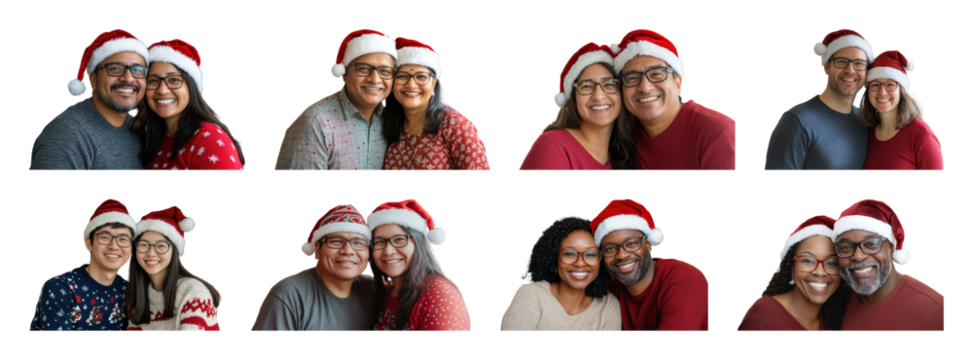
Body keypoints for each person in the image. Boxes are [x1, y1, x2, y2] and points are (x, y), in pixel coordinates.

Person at [611, 28, 736, 172]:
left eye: (656, 74)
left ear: (678, 84)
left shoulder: (719, 132)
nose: (645, 88)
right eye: (632, 78)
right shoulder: (621, 138)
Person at [274, 28, 397, 172]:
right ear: (344, 74)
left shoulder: (389, 119)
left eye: (385, 71)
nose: (375, 79)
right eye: (364, 69)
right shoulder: (315, 124)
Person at [31, 28, 147, 172]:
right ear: (93, 80)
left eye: (138, 70)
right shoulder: (67, 135)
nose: (129, 78)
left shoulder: (136, 127)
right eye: (115, 68)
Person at [250, 203, 378, 332]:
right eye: (336, 241)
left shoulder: (375, 289)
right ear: (317, 250)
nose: (348, 251)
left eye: (359, 243)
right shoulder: (288, 295)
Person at [765, 28, 875, 172]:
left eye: (859, 63)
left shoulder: (866, 121)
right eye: (841, 61)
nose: (850, 70)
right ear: (827, 67)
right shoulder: (797, 121)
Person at [591, 197, 708, 332]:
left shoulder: (684, 278)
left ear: (648, 245)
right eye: (610, 248)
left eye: (631, 243)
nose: (622, 255)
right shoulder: (610, 289)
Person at [129, 37, 246, 172]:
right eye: (153, 80)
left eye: (174, 80)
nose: (162, 90)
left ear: (191, 87)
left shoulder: (210, 141)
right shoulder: (150, 135)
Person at [519, 41, 636, 172]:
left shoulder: (626, 156)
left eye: (609, 84)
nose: (598, 96)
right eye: (586, 86)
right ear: (573, 100)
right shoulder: (553, 147)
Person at [832, 198, 944, 332]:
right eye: (845, 247)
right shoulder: (843, 303)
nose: (858, 256)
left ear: (891, 247)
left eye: (871, 244)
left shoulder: (934, 309)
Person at [381, 35, 491, 172]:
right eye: (402, 76)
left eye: (421, 76)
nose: (411, 84)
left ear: (433, 83)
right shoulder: (387, 125)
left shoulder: (454, 123)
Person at [29, 197, 137, 332]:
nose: (114, 246)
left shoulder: (130, 291)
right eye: (104, 237)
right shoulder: (59, 288)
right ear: (88, 244)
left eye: (123, 239)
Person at [366, 198, 472, 333]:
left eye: (399, 240)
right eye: (379, 242)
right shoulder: (386, 291)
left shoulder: (439, 294)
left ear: (419, 244)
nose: (388, 251)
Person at [500, 215, 621, 332]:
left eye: (590, 254)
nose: (580, 263)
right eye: (569, 254)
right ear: (555, 259)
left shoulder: (608, 306)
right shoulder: (531, 295)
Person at [738, 214, 849, 333]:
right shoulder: (762, 321)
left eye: (832, 263)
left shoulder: (832, 320)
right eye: (808, 261)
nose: (820, 272)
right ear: (791, 268)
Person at [125, 204, 222, 332]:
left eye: (161, 246)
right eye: (143, 245)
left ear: (174, 252)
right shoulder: (138, 297)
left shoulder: (193, 291)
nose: (151, 253)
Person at [860, 49, 943, 172]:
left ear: (901, 91)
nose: (882, 92)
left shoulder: (921, 134)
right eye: (875, 85)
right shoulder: (867, 132)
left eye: (890, 85)